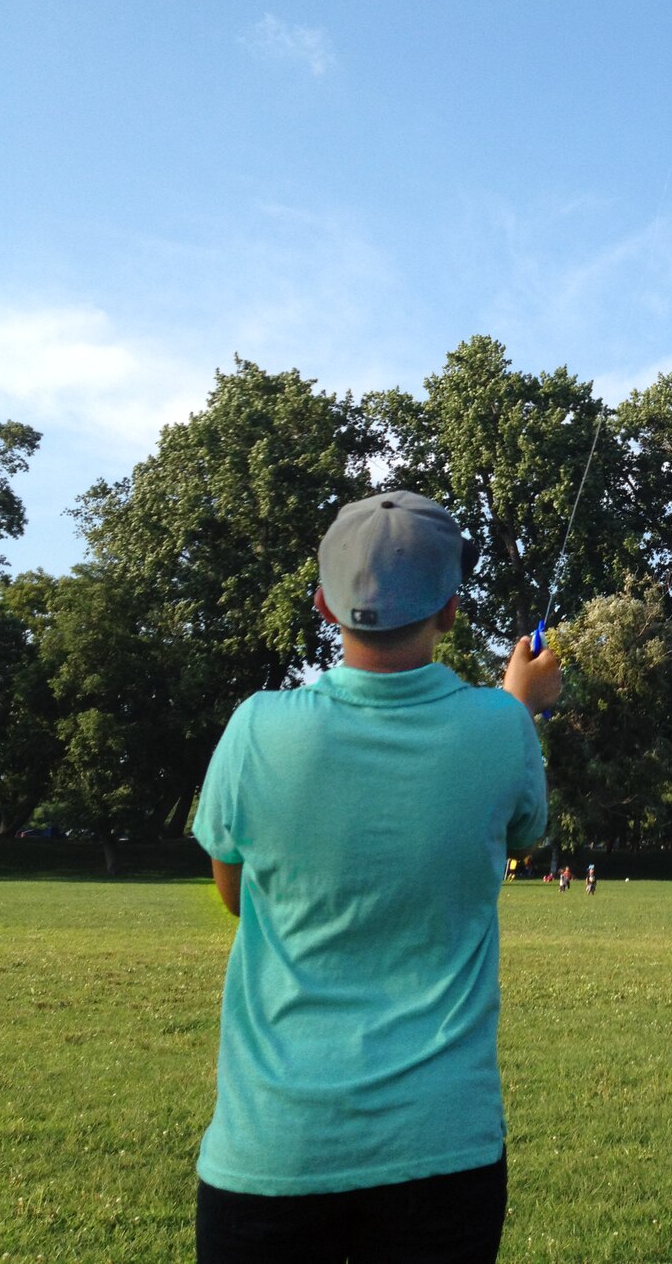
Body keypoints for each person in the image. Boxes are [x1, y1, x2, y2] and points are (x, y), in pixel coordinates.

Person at [191, 491, 558, 1264]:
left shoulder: (256, 726)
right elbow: (523, 828)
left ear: (326, 604)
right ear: (451, 608)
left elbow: (235, 894)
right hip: (443, 1152)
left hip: (271, 1150)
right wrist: (522, 706)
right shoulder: (502, 728)